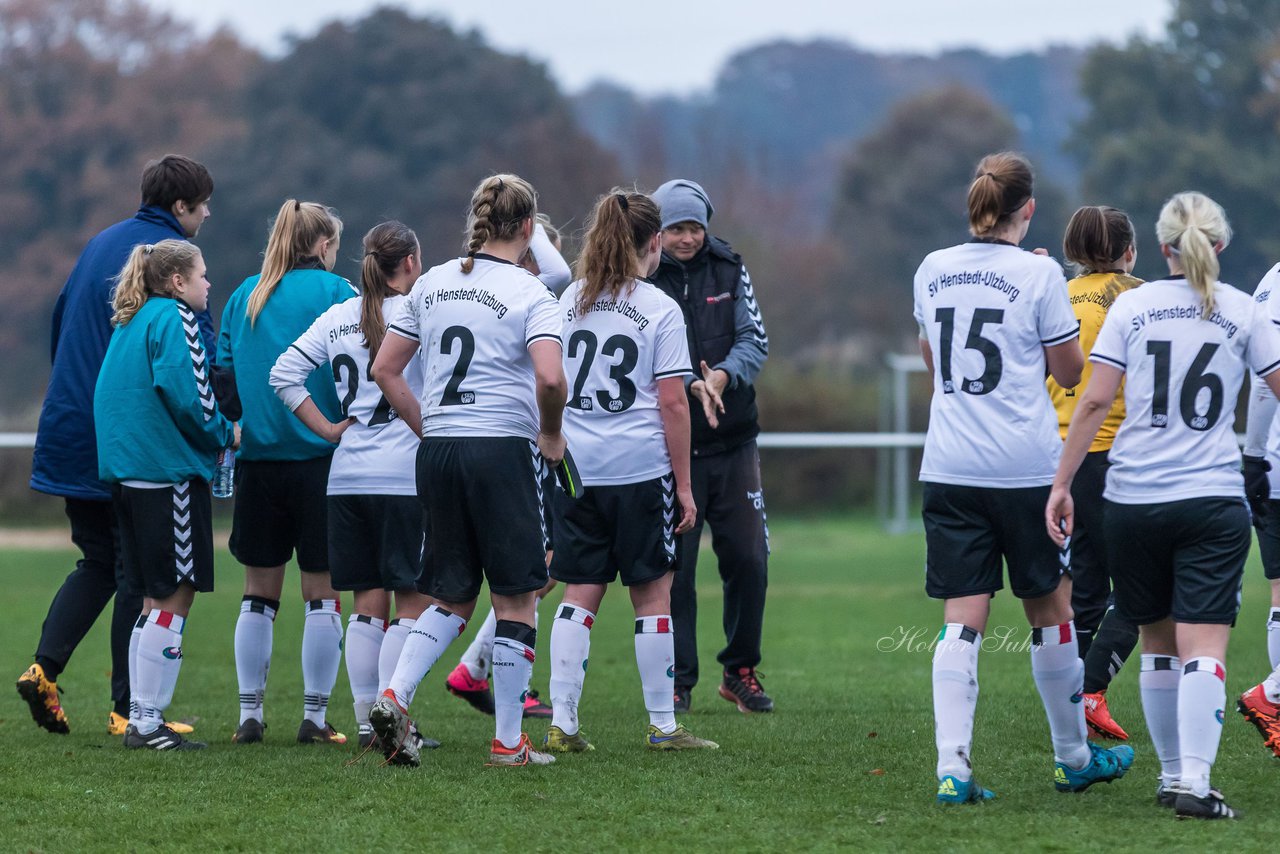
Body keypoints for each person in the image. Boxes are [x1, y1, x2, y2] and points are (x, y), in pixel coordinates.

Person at [1047, 191, 1280, 819]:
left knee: (1155, 641)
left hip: (1131, 495)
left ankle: (1172, 775)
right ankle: (1196, 786)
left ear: (1162, 248)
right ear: (1220, 245)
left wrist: (1062, 483)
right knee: (1204, 643)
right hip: (1209, 498)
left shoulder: (1134, 305)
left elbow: (1092, 402)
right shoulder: (1241, 310)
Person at [915, 151, 1133, 805]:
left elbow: (934, 361)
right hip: (1025, 467)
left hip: (949, 464)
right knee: (1051, 610)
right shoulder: (1038, 277)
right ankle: (1073, 757)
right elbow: (1069, 374)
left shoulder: (931, 269)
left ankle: (952, 768)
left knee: (962, 617)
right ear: (1028, 209)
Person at [368, 173, 567, 768]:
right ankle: (509, 742)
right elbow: (551, 378)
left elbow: (386, 369)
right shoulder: (533, 292)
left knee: (450, 596)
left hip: (442, 453)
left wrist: (428, 428)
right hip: (501, 451)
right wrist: (551, 432)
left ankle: (394, 695)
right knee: (517, 598)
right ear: (528, 229)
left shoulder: (430, 284)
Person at [19, 154, 213, 738]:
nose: (207, 214)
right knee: (141, 574)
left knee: (99, 561)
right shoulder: (169, 265)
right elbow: (188, 363)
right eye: (203, 204)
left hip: (71, 424)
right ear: (180, 208)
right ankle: (130, 709)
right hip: (133, 441)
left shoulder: (99, 244)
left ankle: (44, 669)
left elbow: (60, 327)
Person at [542, 189, 718, 753]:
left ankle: (563, 725)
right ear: (654, 242)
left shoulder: (571, 300)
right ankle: (664, 726)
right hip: (639, 471)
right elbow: (672, 403)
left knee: (579, 590)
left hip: (578, 468)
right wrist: (685, 487)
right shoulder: (660, 307)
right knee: (652, 594)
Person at [269, 221, 436, 750]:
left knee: (367, 600)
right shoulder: (419, 313)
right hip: (405, 474)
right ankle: (394, 715)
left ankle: (368, 722)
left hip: (347, 477)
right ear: (410, 262)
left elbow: (282, 375)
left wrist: (329, 429)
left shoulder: (339, 316)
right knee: (411, 600)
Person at [218, 199, 355, 745]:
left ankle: (249, 716)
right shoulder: (339, 292)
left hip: (258, 463)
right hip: (323, 463)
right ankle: (315, 720)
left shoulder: (242, 296)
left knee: (258, 593)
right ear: (323, 246)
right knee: (321, 594)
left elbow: (224, 381)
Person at [94, 240, 235, 750]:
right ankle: (150, 722)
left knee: (153, 601)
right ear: (177, 281)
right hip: (166, 475)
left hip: (129, 477)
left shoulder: (130, 323)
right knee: (175, 597)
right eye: (202, 276)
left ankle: (138, 717)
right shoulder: (175, 319)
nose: (208, 285)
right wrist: (226, 432)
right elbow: (191, 396)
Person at [649, 178, 770, 715]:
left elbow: (755, 340)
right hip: (673, 450)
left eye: (695, 227)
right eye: (676, 228)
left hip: (735, 442)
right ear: (658, 232)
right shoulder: (643, 277)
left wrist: (722, 376)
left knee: (749, 558)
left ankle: (740, 669)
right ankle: (678, 680)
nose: (687, 238)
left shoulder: (731, 268)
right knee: (677, 572)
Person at [442, 213, 569, 720]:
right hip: (521, 445)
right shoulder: (529, 292)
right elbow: (557, 273)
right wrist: (525, 223)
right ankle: (479, 672)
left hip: (464, 444)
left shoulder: (456, 286)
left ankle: (473, 668)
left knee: (538, 573)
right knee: (530, 574)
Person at [1044, 206, 1143, 741]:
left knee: (1085, 589)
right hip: (1115, 455)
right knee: (1145, 588)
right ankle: (1092, 688)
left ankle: (1070, 706)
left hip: (1061, 456)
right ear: (1129, 250)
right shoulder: (1137, 295)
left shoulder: (1054, 292)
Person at [1236, 255, 1280, 759]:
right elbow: (1270, 379)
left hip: (1270, 457)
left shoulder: (1268, 279)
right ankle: (1270, 695)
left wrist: (1256, 454)